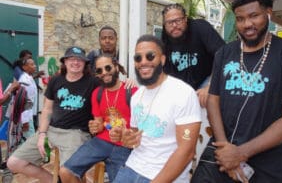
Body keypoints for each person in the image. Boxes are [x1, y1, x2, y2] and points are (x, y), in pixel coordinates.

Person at [191, 0, 282, 183]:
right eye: (240, 19)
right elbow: (214, 101)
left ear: (268, 13)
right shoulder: (225, 53)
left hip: (268, 163)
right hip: (220, 155)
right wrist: (225, 148)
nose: (247, 24)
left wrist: (240, 153)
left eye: (254, 16)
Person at [112, 34, 201, 183]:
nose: (143, 62)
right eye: (138, 58)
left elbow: (187, 150)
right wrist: (125, 137)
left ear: (163, 59)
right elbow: (135, 138)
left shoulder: (183, 93)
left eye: (150, 56)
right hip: (132, 167)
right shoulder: (136, 97)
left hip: (165, 176)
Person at [7, 46, 99, 183]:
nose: (76, 62)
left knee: (69, 172)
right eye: (71, 59)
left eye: (80, 59)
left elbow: (114, 87)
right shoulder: (56, 81)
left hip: (76, 133)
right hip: (51, 130)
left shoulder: (93, 82)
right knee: (14, 162)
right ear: (65, 62)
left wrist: (128, 82)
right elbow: (47, 109)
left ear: (85, 63)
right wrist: (42, 133)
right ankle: (53, 181)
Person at [59, 54, 137, 183]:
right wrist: (96, 126)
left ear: (116, 67)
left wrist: (125, 134)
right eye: (99, 70)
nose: (104, 73)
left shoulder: (132, 91)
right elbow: (100, 123)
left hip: (124, 145)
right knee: (65, 172)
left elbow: (139, 127)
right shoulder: (97, 94)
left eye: (108, 68)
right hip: (101, 142)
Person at [161, 3, 225, 107]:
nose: (174, 25)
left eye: (178, 20)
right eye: (169, 22)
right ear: (164, 24)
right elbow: (163, 71)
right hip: (184, 87)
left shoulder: (200, 27)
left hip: (207, 78)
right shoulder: (164, 41)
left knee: (209, 99)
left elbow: (222, 54)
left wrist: (211, 86)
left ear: (185, 19)